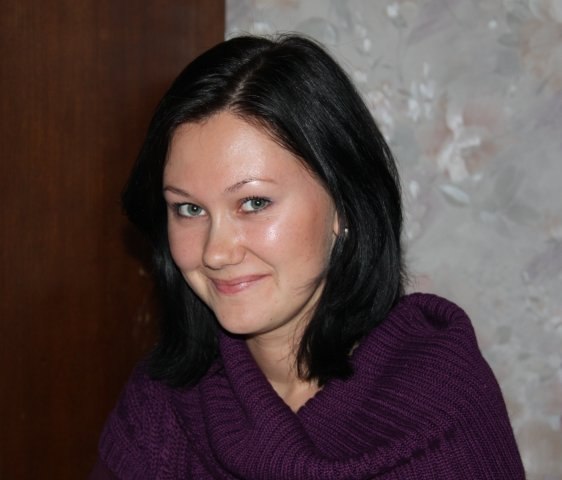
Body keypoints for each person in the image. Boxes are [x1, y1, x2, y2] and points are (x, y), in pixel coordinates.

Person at [91, 34, 525, 479]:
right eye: (189, 209)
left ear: (344, 205)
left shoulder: (441, 405)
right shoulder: (161, 407)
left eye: (254, 203)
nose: (216, 252)